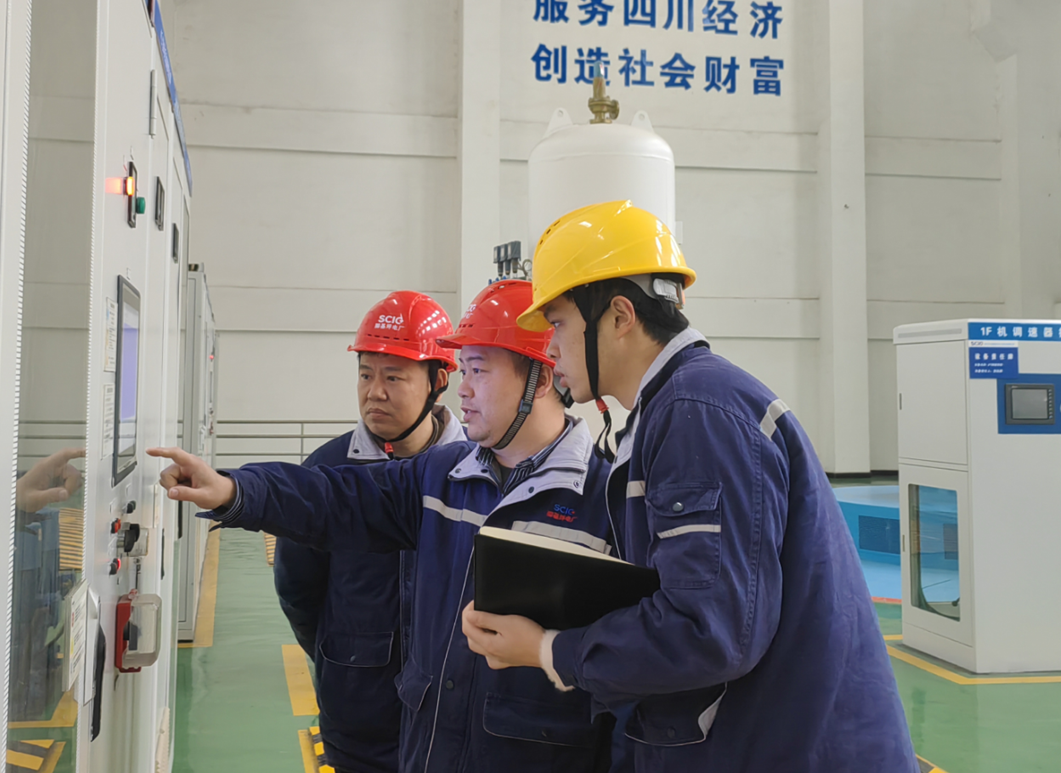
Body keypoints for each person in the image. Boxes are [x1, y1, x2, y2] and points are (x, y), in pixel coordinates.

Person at [460, 200, 918, 772]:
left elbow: (711, 631)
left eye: (558, 324)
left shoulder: (696, 412)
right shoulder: (679, 408)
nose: (549, 348)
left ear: (619, 316)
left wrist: (549, 649)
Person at [149, 280, 616, 773]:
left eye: (479, 369)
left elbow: (632, 664)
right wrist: (234, 489)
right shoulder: (443, 476)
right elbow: (334, 497)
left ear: (540, 381)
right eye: (464, 369)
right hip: (427, 749)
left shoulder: (607, 503)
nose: (464, 388)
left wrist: (546, 650)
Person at [273, 290, 466, 773]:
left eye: (393, 377)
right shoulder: (328, 471)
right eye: (365, 374)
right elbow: (299, 591)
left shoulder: (473, 474)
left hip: (452, 722)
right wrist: (343, 658)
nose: (374, 392)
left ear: (438, 381)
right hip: (358, 721)